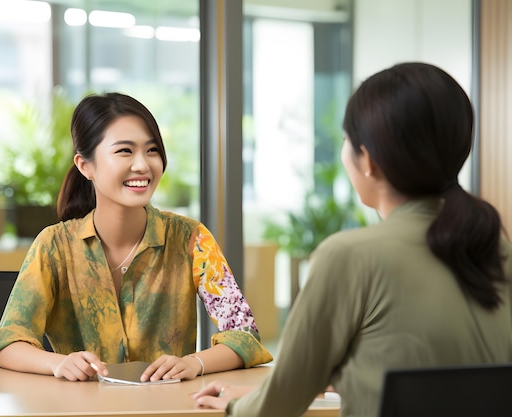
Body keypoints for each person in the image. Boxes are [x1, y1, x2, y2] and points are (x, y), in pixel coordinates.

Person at [194, 62, 512, 416]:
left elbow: (281, 401)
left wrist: (236, 406)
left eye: (347, 140)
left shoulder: (349, 256)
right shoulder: (496, 247)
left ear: (369, 160)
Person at [0, 92, 273, 382]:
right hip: (81, 412)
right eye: (125, 151)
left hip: (165, 410)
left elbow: (244, 336)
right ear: (86, 166)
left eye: (151, 150)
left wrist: (195, 363)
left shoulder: (191, 238)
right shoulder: (54, 245)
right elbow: (7, 344)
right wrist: (58, 363)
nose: (142, 165)